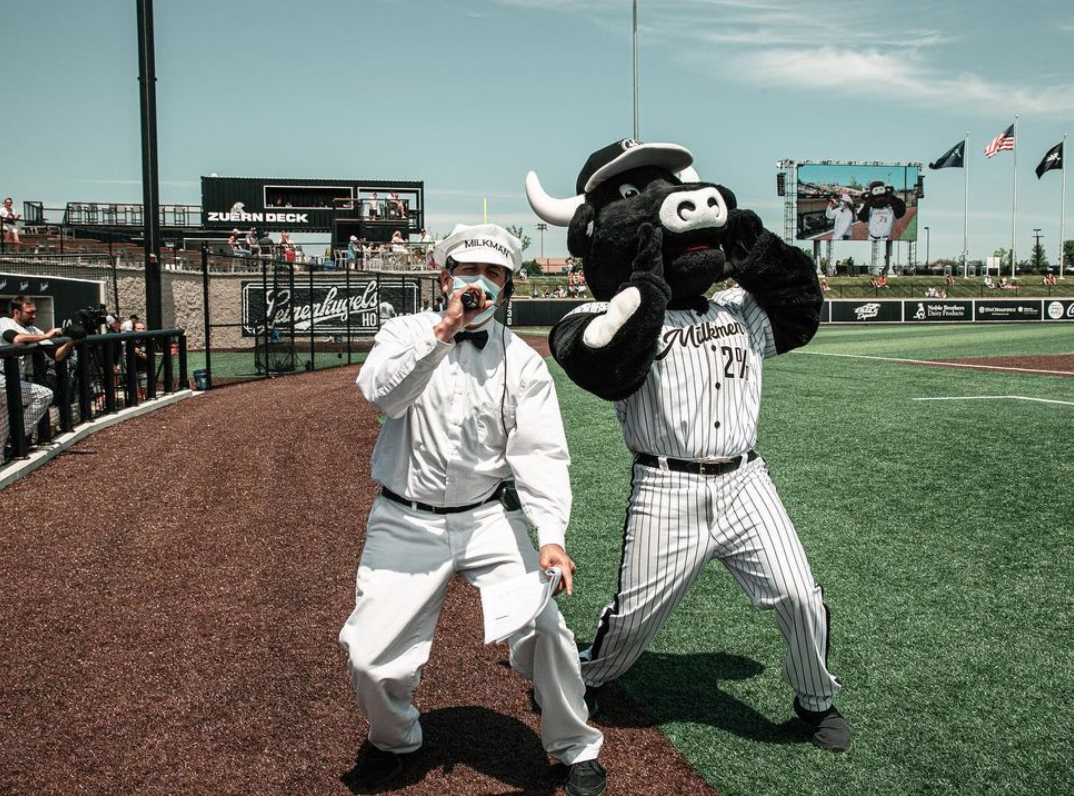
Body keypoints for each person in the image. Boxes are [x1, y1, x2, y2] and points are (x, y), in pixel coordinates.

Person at [339, 223, 606, 795]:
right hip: (404, 518)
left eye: (493, 274)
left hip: (488, 518)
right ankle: (395, 740)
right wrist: (443, 333)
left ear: (507, 286)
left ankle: (575, 747)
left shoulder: (523, 361)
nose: (479, 283)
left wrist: (551, 536)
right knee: (369, 657)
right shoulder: (403, 331)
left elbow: (540, 454)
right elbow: (382, 396)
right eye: (469, 271)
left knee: (547, 630)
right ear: (444, 277)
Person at [0, 297, 73, 451]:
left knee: (2, 431)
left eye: (35, 312)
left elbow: (56, 355)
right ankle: (17, 435)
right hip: (2, 379)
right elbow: (16, 339)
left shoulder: (34, 331)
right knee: (44, 394)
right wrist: (47, 335)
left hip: (13, 383)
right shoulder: (5, 322)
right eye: (29, 313)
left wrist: (71, 341)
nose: (33, 316)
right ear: (16, 312)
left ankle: (7, 448)